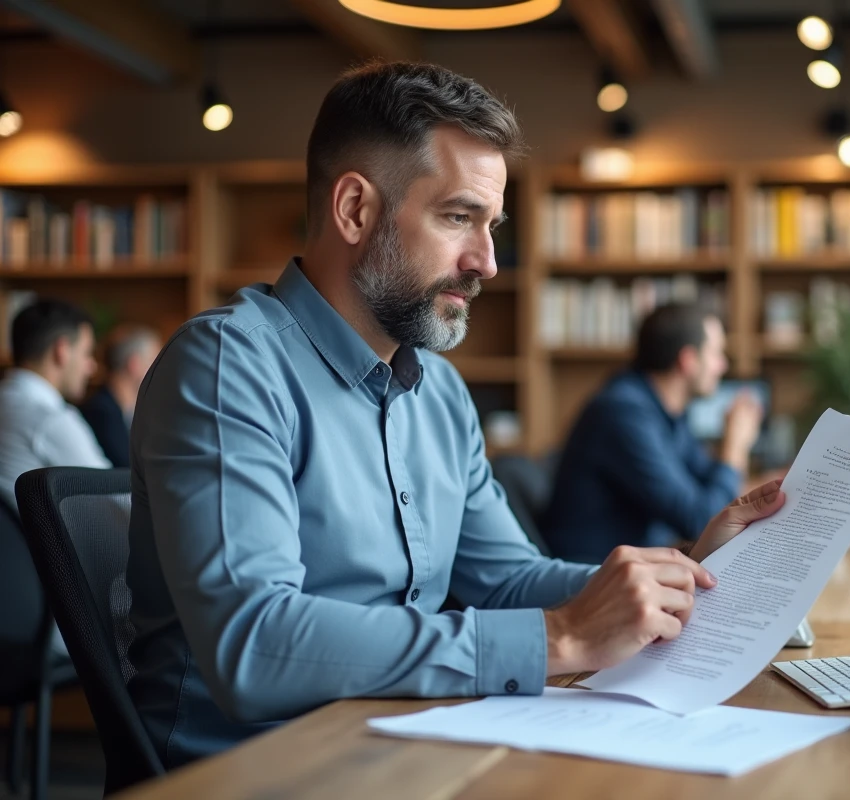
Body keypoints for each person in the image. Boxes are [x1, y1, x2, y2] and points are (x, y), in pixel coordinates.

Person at [125, 61, 786, 768]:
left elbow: (505, 579)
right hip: (255, 773)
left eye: (491, 224)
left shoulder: (437, 392)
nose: (488, 262)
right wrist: (556, 638)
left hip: (403, 745)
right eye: (458, 217)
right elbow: (252, 644)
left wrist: (683, 574)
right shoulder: (229, 365)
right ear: (355, 210)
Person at [541, 303, 764, 564]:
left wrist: (771, 487)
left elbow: (706, 481)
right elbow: (702, 521)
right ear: (688, 360)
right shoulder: (623, 413)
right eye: (716, 354)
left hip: (636, 568)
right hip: (591, 580)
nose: (723, 365)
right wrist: (735, 446)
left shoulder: (666, 411)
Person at [0, 299, 109, 514]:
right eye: (87, 353)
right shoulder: (50, 419)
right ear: (62, 351)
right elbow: (113, 503)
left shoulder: (8, 401)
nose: (92, 367)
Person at [81, 324, 161, 467]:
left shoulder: (130, 410)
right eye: (155, 362)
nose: (161, 372)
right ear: (134, 364)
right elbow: (127, 468)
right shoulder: (101, 412)